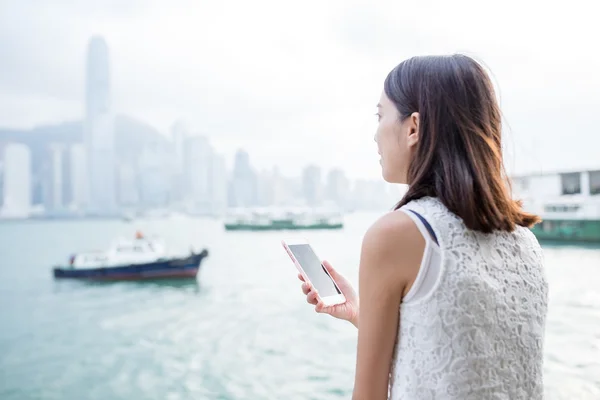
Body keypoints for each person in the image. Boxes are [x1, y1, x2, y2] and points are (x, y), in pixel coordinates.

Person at [298, 54, 549, 399]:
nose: (375, 135)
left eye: (380, 115)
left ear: (413, 127)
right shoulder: (526, 242)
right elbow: (468, 356)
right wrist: (364, 315)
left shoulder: (396, 235)